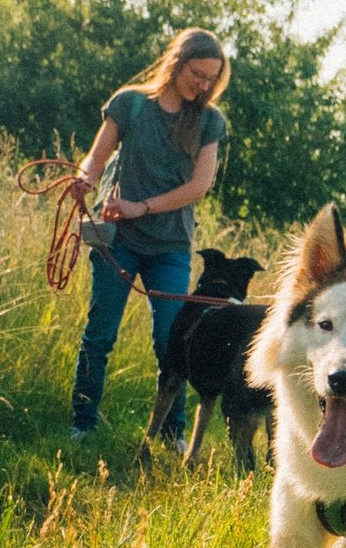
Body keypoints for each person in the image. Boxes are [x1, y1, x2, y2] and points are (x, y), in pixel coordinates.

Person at [68, 28, 230, 442]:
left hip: (171, 247)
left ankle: (171, 432)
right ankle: (82, 425)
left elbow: (199, 186)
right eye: (197, 73)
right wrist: (85, 178)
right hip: (117, 239)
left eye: (212, 78)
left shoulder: (209, 121)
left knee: (170, 340)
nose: (204, 85)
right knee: (100, 333)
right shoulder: (130, 104)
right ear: (176, 63)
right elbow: (96, 158)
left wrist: (143, 206)